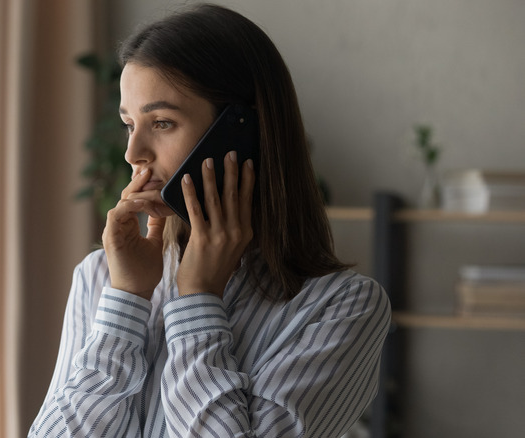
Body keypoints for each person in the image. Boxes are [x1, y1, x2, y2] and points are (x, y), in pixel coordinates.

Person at [29, 3, 391, 437]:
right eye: (130, 124)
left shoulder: (341, 307)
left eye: (162, 122)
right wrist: (126, 300)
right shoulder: (101, 278)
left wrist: (198, 300)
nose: (132, 153)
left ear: (241, 132)